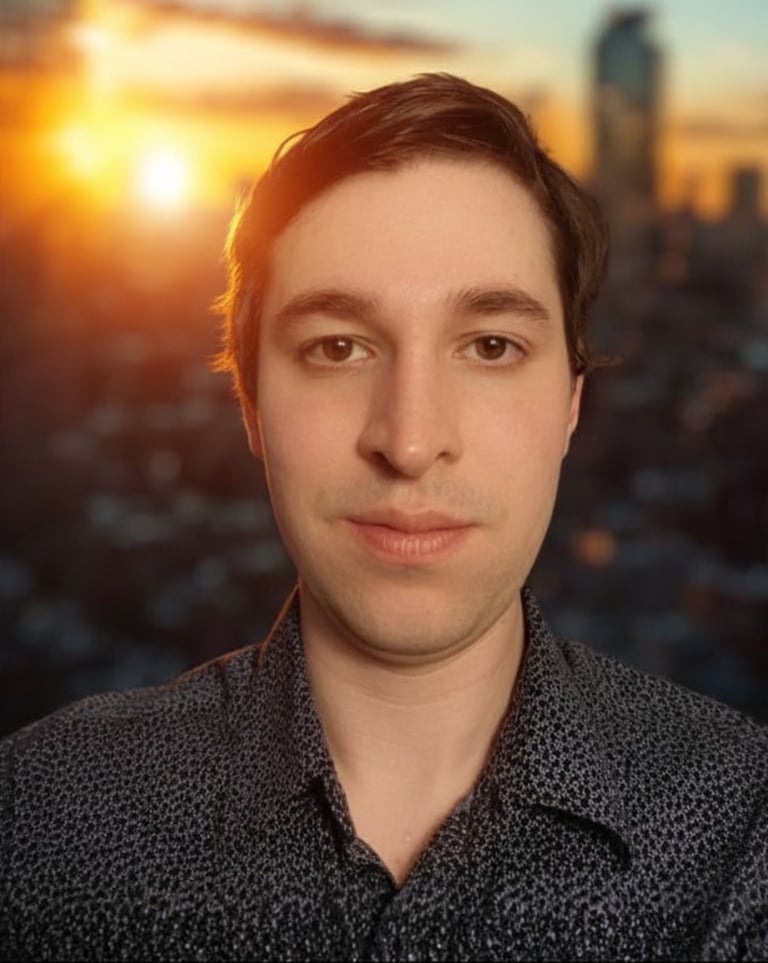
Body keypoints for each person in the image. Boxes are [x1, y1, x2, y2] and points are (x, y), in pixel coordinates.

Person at [1, 73, 766, 962]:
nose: (409, 441)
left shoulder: (744, 833)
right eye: (337, 347)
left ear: (570, 403)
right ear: (250, 404)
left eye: (490, 346)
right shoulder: (41, 819)